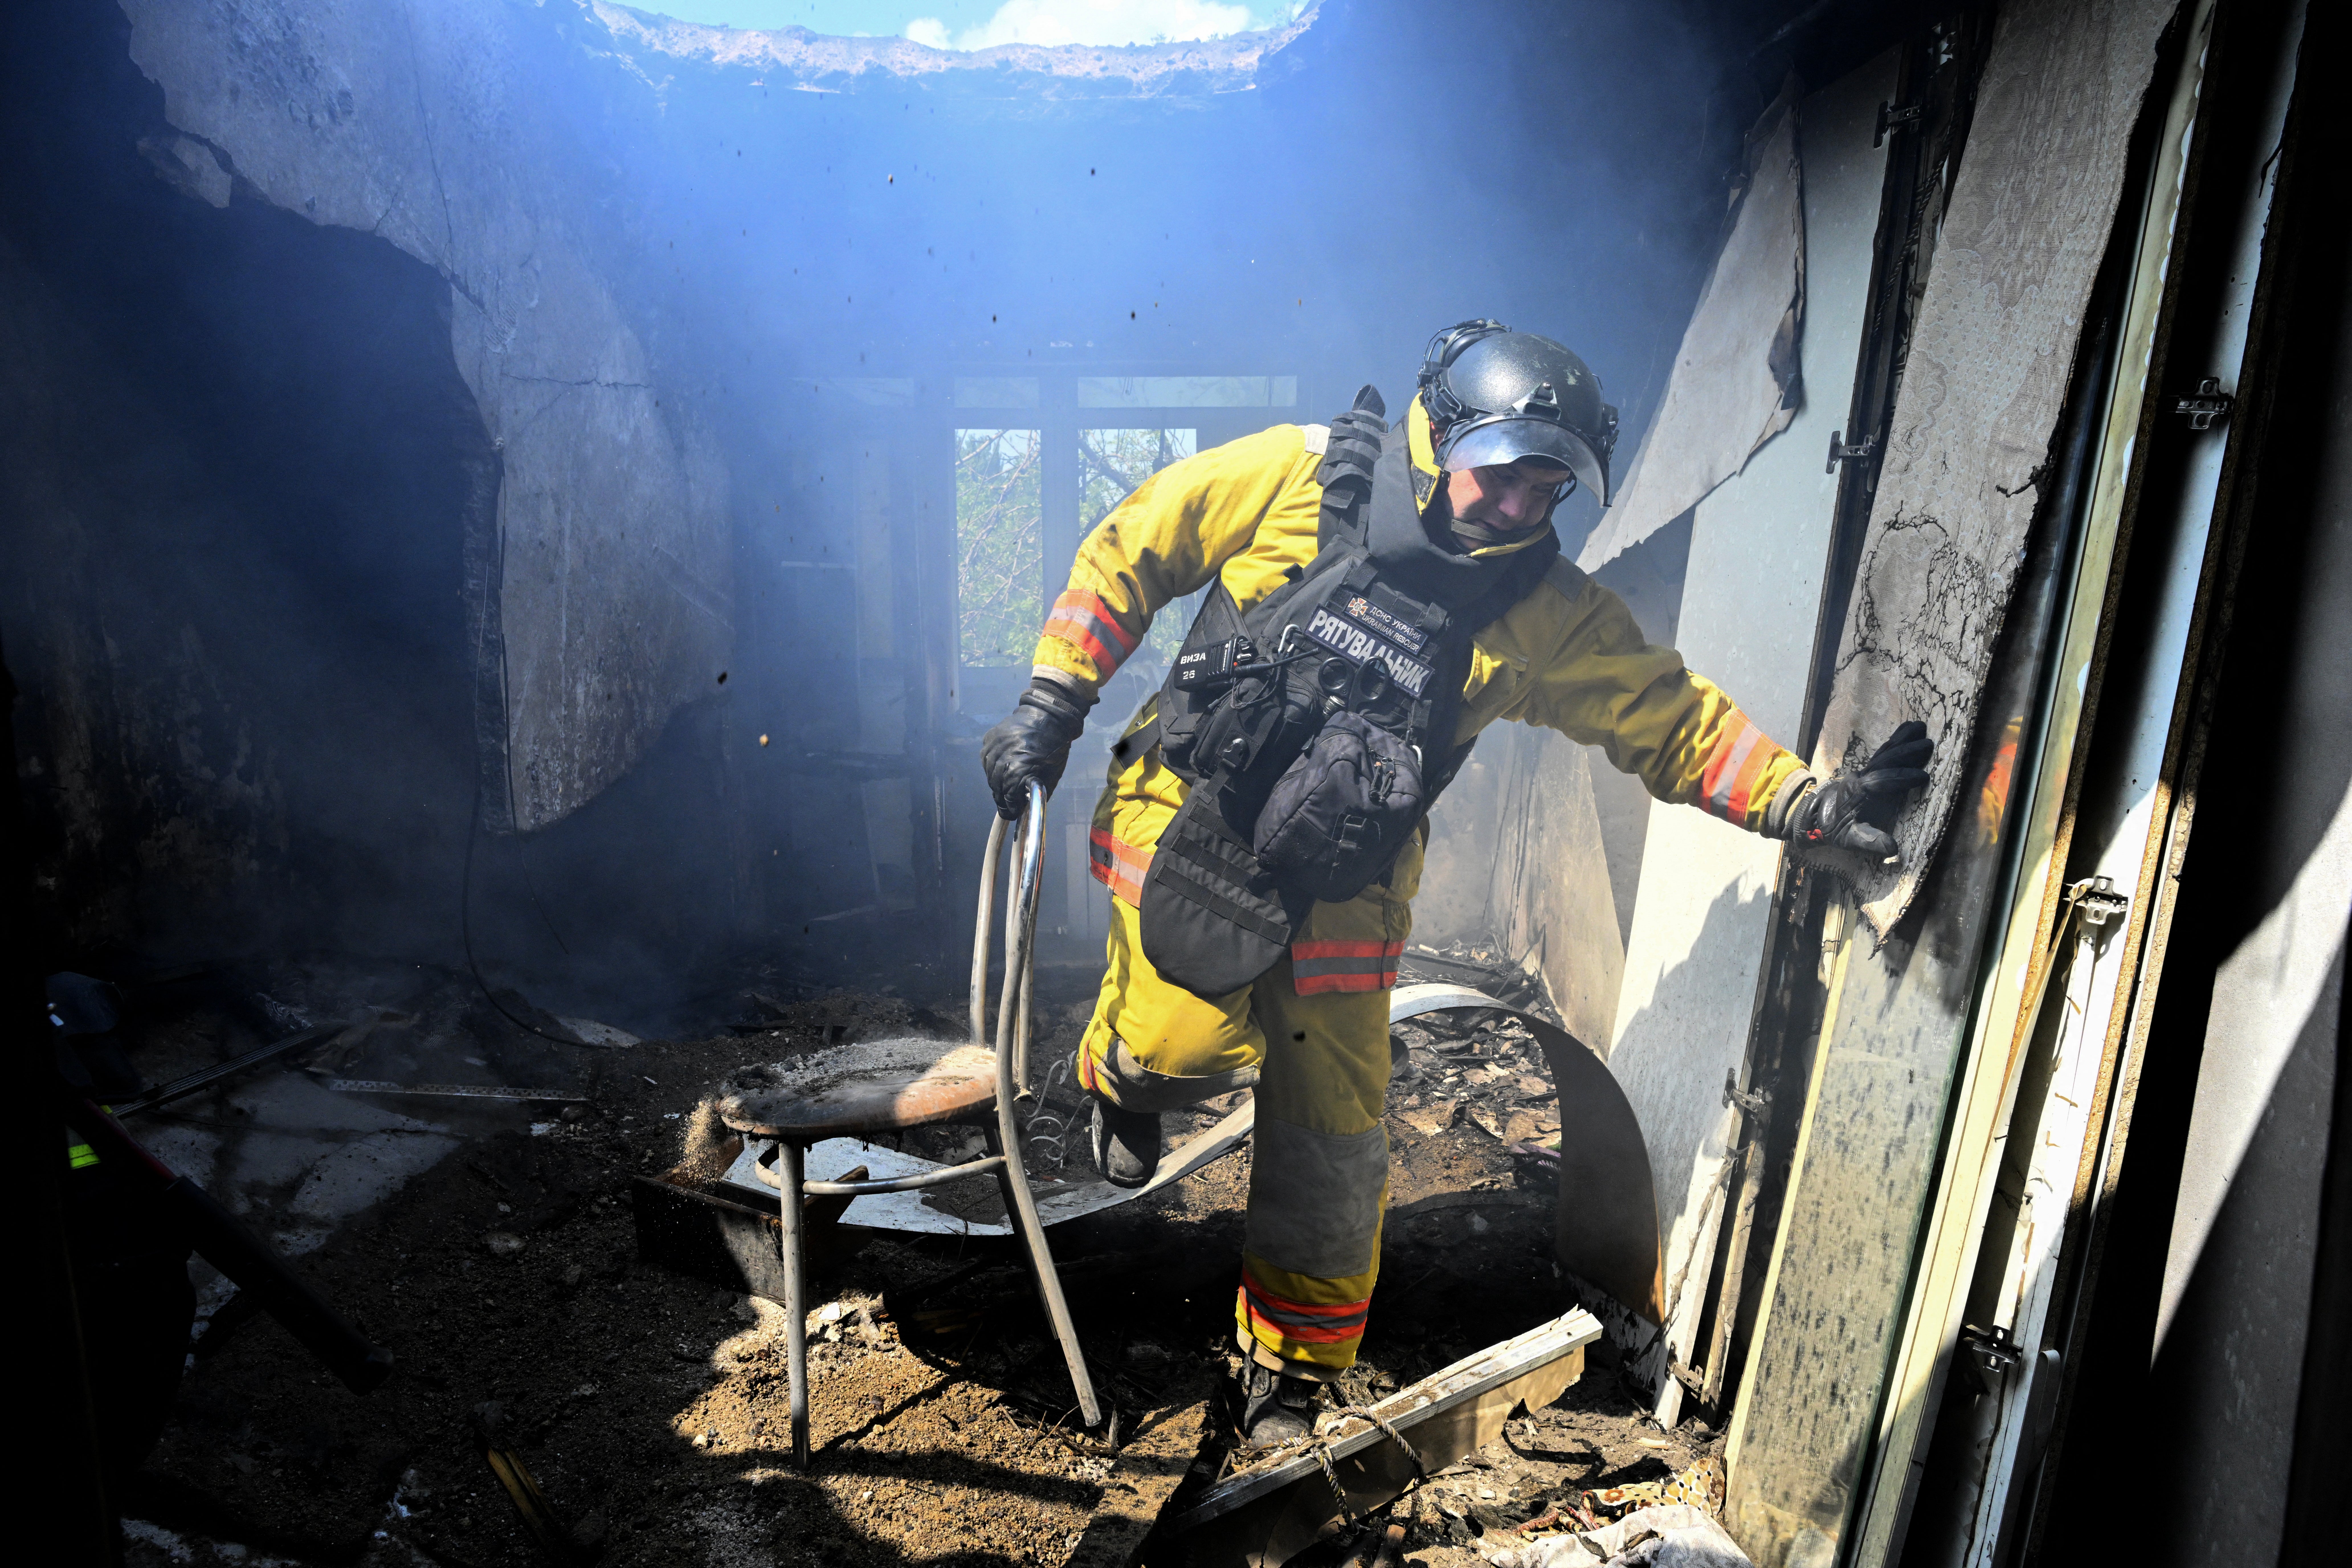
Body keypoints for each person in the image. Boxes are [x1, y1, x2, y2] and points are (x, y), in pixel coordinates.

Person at [981, 320, 1930, 1445]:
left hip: (1349, 879)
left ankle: (1285, 1374)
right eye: (1502, 474)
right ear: (1440, 435)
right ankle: (1122, 1079)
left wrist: (1802, 804)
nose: (1520, 507)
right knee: (1176, 1049)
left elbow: (1668, 717)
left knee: (1335, 1127)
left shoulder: (1546, 612)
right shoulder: (1295, 477)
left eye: (1548, 488)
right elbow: (1131, 546)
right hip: (1191, 822)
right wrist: (1053, 701)